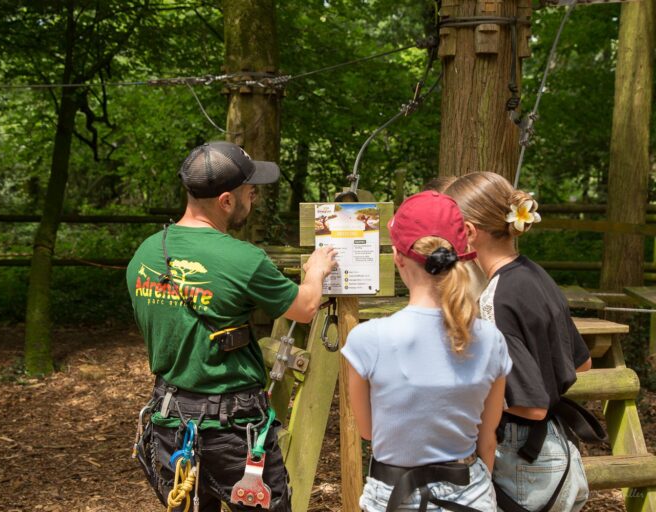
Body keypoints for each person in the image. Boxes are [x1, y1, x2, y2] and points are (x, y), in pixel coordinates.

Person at [127, 141, 337, 512]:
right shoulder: (243, 259)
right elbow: (305, 308)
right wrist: (316, 270)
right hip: (232, 430)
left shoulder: (145, 253)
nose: (253, 199)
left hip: (169, 419)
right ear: (226, 201)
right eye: (250, 192)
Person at [342, 190, 512, 512]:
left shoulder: (367, 340)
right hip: (469, 495)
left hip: (391, 497)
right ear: (461, 255)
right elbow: (487, 436)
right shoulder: (491, 339)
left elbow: (367, 431)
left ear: (397, 256)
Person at [442, 172, 599, 512]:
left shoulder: (495, 298)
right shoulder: (535, 274)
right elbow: (581, 362)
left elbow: (531, 404)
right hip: (559, 452)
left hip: (522, 459)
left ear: (468, 232)